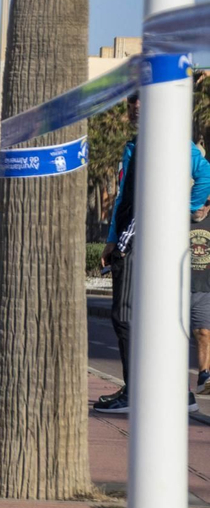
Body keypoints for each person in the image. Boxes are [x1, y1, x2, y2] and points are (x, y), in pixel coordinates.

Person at [95, 92, 210, 414]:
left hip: (145, 241)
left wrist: (183, 208)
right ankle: (181, 393)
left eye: (141, 101)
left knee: (124, 316)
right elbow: (122, 198)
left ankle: (134, 393)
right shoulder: (134, 145)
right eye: (132, 102)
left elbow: (206, 174)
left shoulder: (171, 141)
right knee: (151, 317)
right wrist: (111, 238)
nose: (134, 107)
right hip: (129, 238)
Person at [193, 203, 210, 396]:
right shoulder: (177, 222)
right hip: (177, 288)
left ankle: (204, 375)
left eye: (206, 203)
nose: (200, 207)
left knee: (204, 332)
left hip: (203, 287)